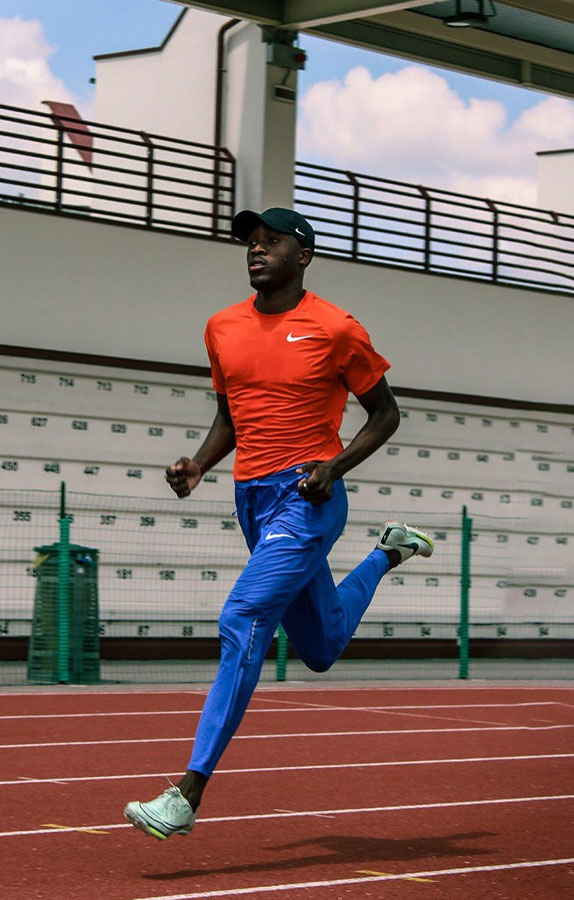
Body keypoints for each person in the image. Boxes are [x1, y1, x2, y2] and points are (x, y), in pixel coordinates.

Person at [124, 207, 433, 841]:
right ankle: (388, 553)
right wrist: (200, 465)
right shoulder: (221, 327)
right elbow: (230, 415)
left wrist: (333, 466)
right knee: (320, 648)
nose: (256, 250)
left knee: (242, 618)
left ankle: (186, 794)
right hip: (252, 499)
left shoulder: (336, 328)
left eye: (272, 241)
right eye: (251, 242)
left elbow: (386, 414)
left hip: (307, 497)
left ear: (304, 255)